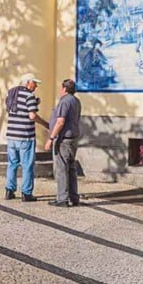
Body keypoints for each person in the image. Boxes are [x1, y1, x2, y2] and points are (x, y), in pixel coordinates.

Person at [4, 75, 46, 202]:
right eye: (34, 83)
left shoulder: (11, 93)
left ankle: (9, 190)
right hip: (25, 136)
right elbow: (32, 116)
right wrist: (46, 124)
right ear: (28, 83)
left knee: (12, 164)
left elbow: (16, 109)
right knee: (27, 165)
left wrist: (34, 103)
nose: (36, 86)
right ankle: (26, 193)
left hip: (11, 135)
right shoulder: (29, 96)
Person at [45, 78, 82, 207]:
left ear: (64, 89)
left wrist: (51, 138)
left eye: (61, 88)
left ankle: (62, 198)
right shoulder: (76, 101)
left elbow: (60, 122)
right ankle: (74, 197)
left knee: (62, 169)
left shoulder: (64, 101)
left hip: (64, 139)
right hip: (73, 138)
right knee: (71, 168)